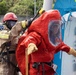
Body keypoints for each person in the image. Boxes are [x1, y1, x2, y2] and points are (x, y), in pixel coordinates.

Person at [16, 9, 76, 75]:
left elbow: (61, 45)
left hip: (48, 68)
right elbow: (31, 38)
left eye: (58, 25)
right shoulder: (38, 34)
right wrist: (31, 45)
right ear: (49, 26)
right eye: (55, 26)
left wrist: (71, 50)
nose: (56, 28)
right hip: (37, 70)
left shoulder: (53, 38)